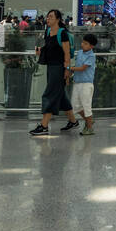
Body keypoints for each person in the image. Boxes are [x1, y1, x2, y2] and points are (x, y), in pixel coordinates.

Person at [29, 8, 77, 137]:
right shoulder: (48, 31)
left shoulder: (63, 33)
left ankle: (44, 125)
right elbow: (49, 47)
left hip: (59, 68)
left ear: (57, 19)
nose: (48, 19)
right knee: (60, 95)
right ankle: (73, 121)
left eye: (51, 17)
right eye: (47, 16)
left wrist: (67, 70)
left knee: (49, 94)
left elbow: (67, 54)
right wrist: (40, 50)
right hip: (51, 67)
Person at [68, 33, 98, 136]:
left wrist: (70, 68)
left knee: (86, 106)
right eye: (82, 42)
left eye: (85, 44)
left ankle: (89, 128)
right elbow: (77, 66)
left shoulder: (91, 56)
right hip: (77, 82)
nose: (82, 45)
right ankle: (89, 121)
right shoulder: (80, 53)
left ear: (91, 46)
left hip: (86, 84)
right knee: (75, 106)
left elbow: (82, 68)